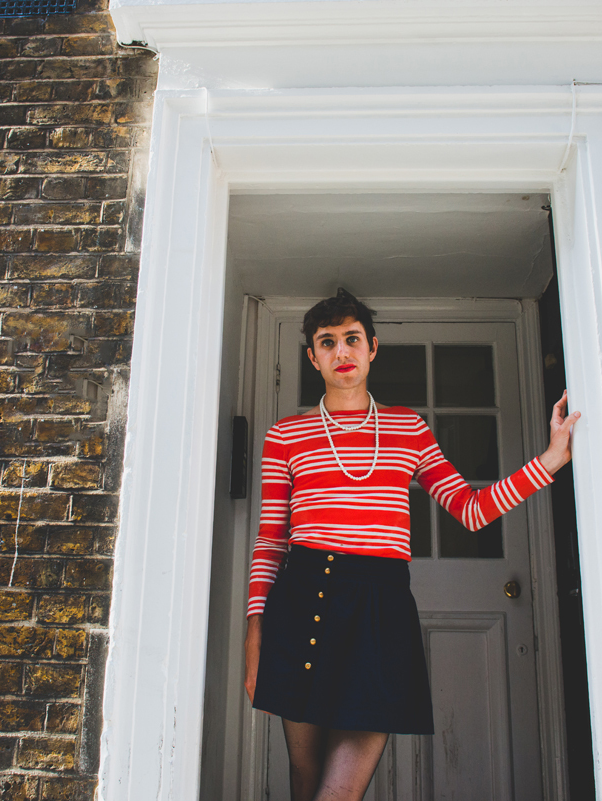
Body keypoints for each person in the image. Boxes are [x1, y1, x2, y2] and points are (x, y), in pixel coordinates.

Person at [244, 289, 579, 801]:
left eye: (351, 339)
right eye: (327, 342)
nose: (342, 352)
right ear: (312, 357)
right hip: (303, 605)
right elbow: (270, 542)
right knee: (304, 779)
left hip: (379, 610)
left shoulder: (407, 429)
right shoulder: (286, 436)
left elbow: (471, 509)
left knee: (338, 792)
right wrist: (255, 635)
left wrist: (551, 460)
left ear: (372, 347)